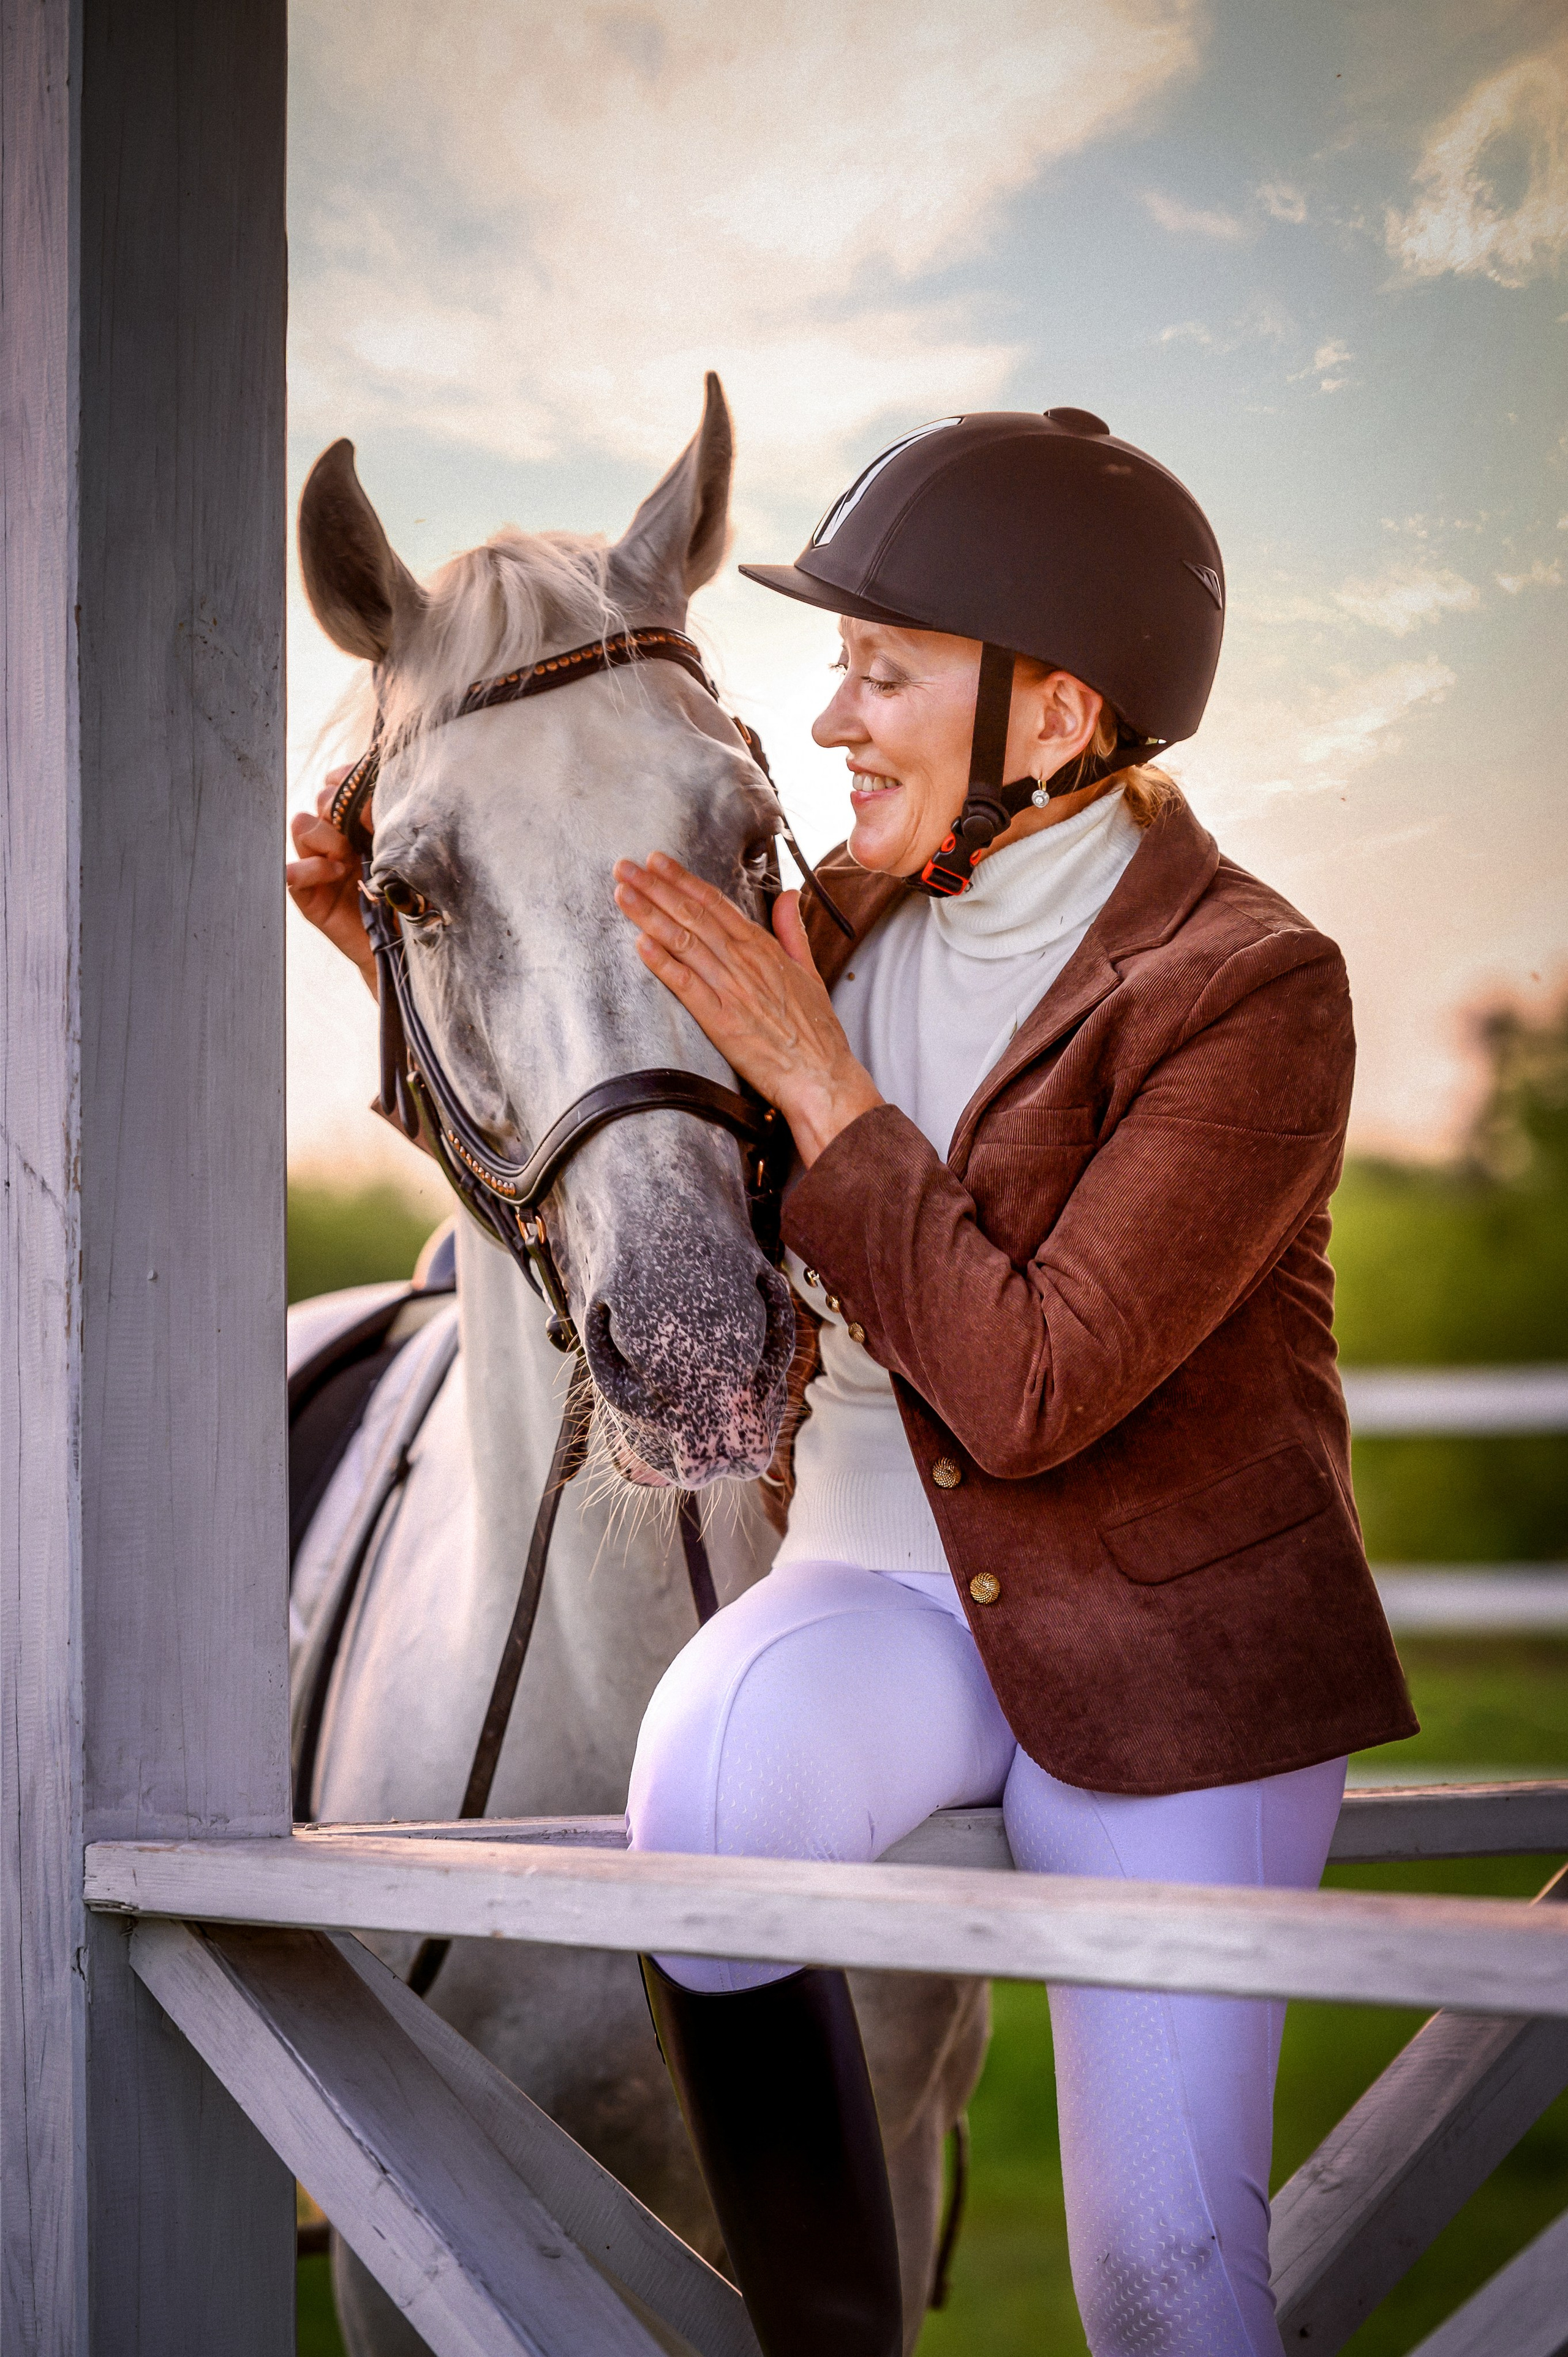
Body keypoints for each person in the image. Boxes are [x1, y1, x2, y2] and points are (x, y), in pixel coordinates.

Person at [291, 408, 1417, 2357]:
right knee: (705, 1780)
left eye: (885, 674)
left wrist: (823, 1083)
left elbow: (1042, 1384)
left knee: (1157, 2280)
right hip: (890, 1596)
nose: (832, 726)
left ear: (1054, 719)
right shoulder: (841, 919)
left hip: (1169, 1649)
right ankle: (832, 2334)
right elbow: (623, 1151)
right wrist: (399, 948)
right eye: (833, 673)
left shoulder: (1254, 987)